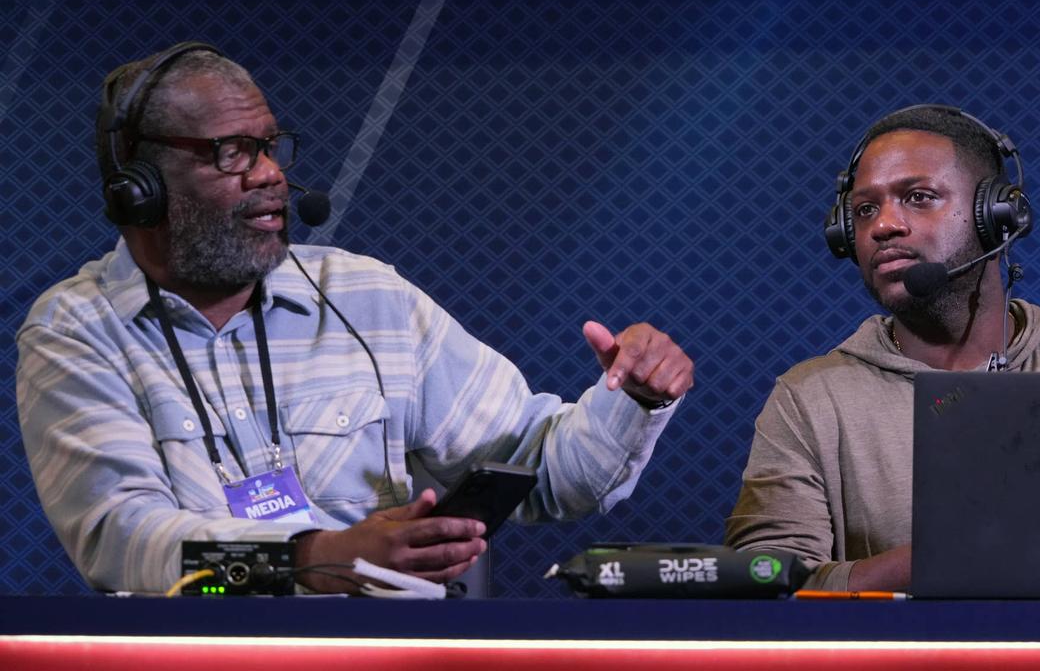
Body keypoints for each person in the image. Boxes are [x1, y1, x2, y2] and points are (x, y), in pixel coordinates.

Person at [16, 42, 694, 595]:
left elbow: (545, 472)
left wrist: (633, 397)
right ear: (140, 185)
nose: (270, 175)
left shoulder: (367, 297)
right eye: (232, 151)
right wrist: (314, 559)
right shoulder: (78, 329)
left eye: (270, 146)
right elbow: (122, 542)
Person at [724, 105, 1040, 591]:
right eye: (865, 210)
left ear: (996, 216)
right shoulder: (810, 398)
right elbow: (764, 582)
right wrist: (944, 557)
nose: (883, 225)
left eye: (919, 197)